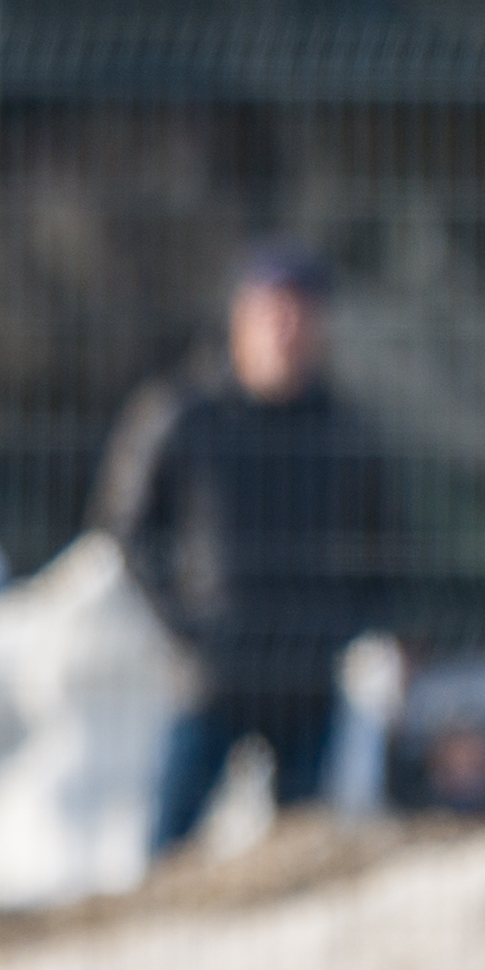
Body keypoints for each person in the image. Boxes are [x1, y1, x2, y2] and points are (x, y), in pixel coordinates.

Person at [97, 238, 394, 851]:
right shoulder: (184, 415)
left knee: (301, 855)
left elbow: (390, 547)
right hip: (213, 675)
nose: (285, 332)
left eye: (300, 316)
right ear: (241, 320)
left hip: (307, 677)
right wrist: (184, 624)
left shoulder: (346, 431)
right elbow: (125, 529)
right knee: (169, 849)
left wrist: (344, 627)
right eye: (271, 313)